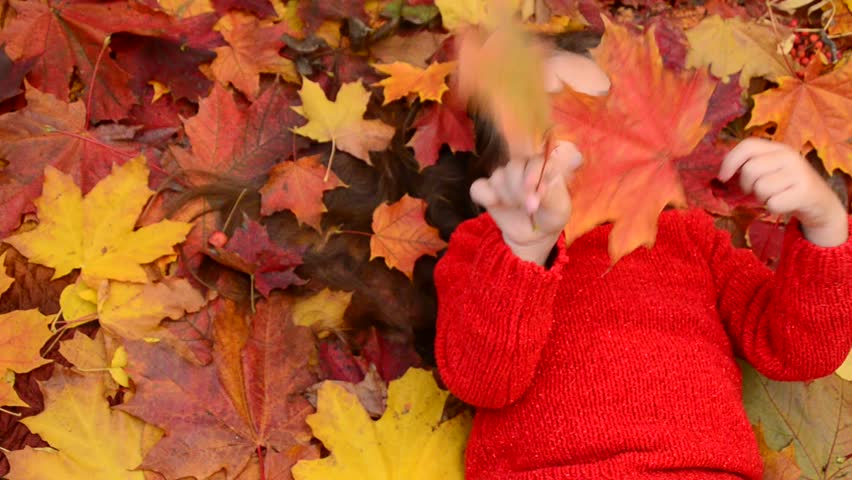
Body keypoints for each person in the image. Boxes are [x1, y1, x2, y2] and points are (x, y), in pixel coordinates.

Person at [432, 37, 852, 479]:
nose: (584, 145)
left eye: (603, 117)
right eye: (550, 129)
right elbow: (482, 381)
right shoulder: (484, 248)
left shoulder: (687, 236)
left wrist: (825, 225)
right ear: (500, 171)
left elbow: (798, 351)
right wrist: (523, 250)